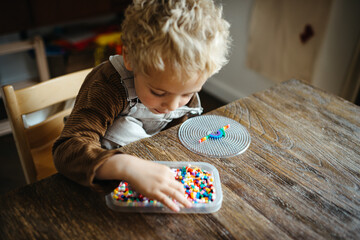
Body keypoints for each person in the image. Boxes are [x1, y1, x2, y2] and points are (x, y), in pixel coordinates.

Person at [53, 0, 231, 212]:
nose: (172, 106)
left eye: (188, 93)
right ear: (130, 58)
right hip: (97, 180)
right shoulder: (107, 87)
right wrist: (125, 166)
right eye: (158, 92)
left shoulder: (177, 89)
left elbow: (170, 139)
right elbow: (66, 150)